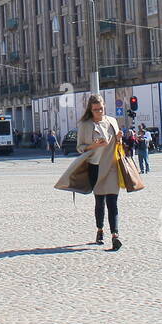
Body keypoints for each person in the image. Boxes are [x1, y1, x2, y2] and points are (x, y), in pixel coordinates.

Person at [57, 94, 124, 251]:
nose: (99, 112)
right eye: (95, 110)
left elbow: (117, 144)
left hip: (112, 166)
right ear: (90, 109)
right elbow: (80, 147)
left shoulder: (112, 121)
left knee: (112, 202)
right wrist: (93, 146)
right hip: (96, 166)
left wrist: (119, 137)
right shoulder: (85, 125)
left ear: (104, 106)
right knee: (100, 201)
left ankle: (115, 235)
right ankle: (100, 230)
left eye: (101, 108)